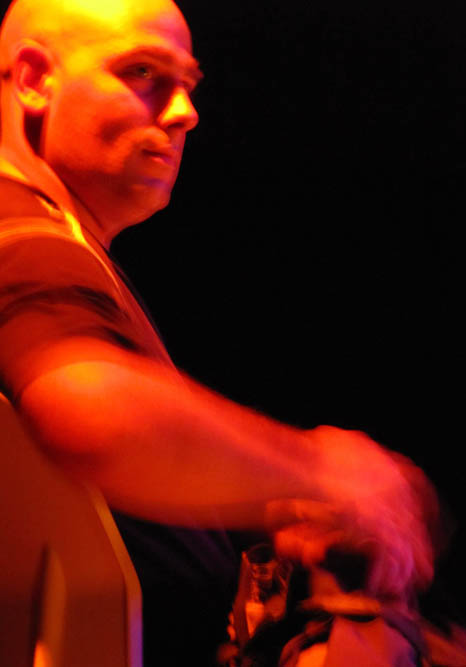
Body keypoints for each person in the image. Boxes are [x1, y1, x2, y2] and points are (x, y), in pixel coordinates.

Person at [0, 0, 437, 663]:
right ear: (35, 79)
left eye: (188, 85)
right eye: (142, 72)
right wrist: (326, 472)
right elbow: (89, 409)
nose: (184, 112)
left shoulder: (60, 243)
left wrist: (262, 500)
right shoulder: (22, 235)